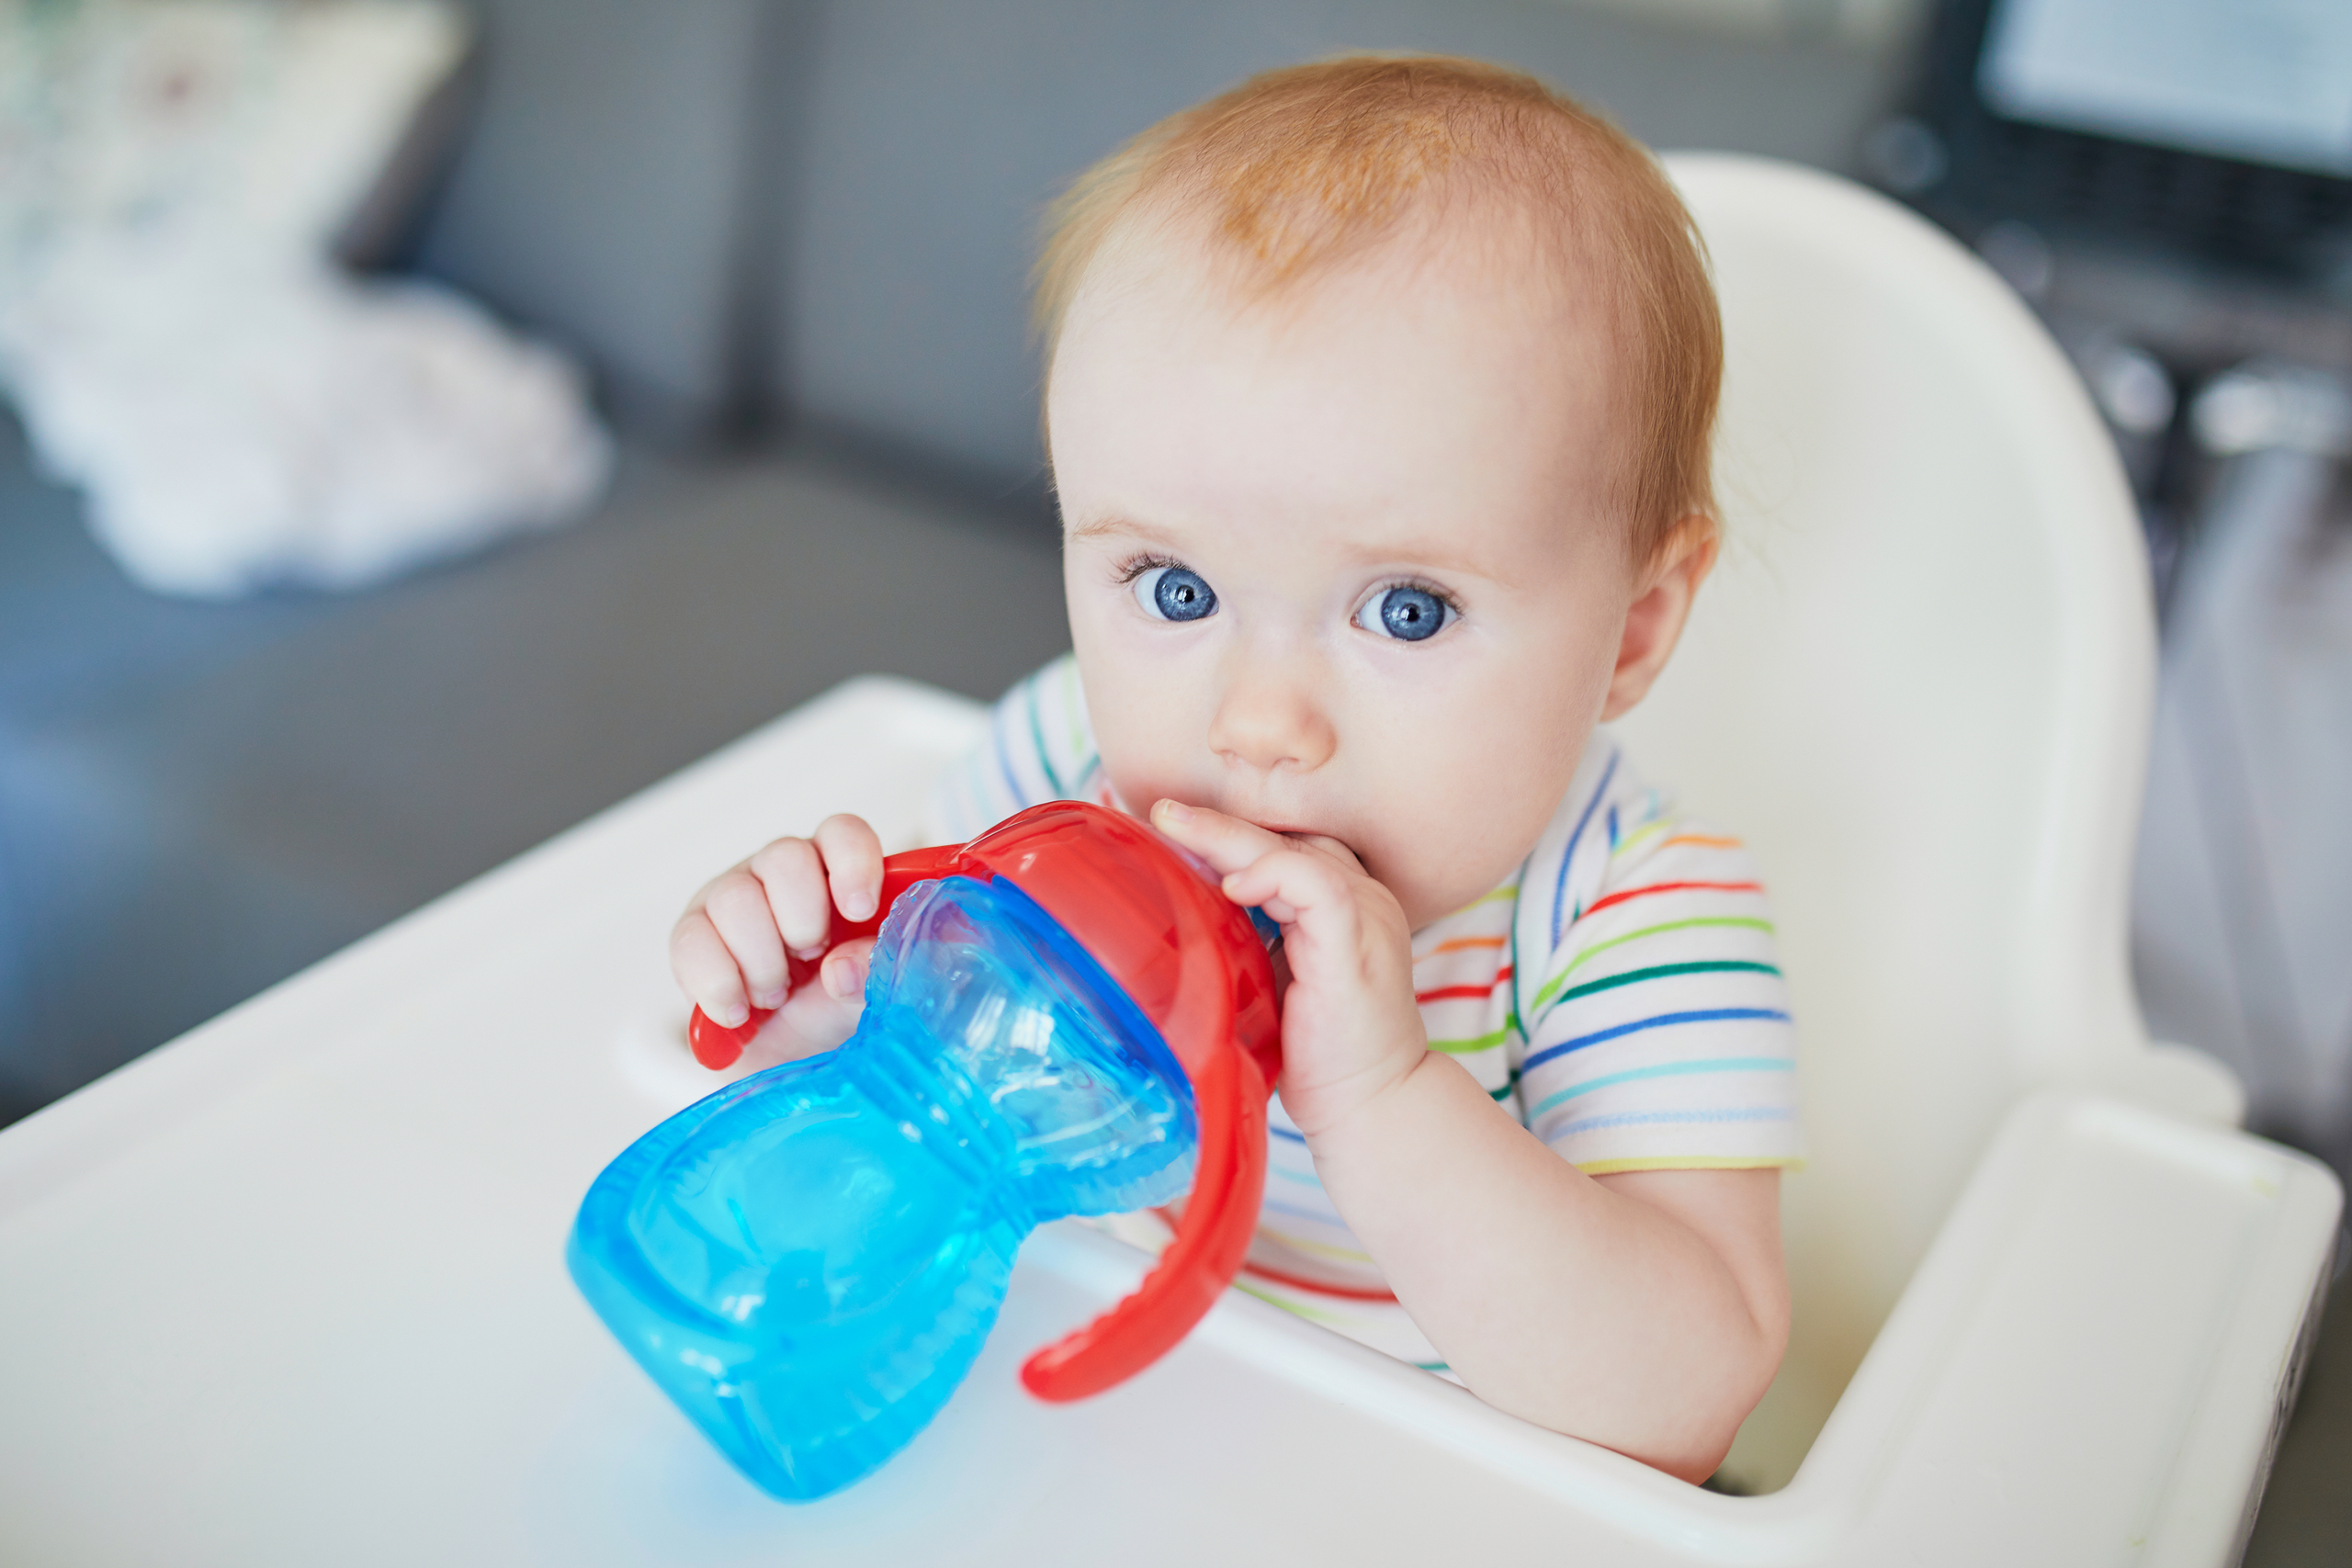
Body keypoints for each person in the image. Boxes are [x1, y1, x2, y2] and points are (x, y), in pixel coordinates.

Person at [668, 55, 1798, 1483]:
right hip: (1081, 1465)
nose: (1259, 724)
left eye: (1407, 610)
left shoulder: (1629, 917)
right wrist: (821, 1022)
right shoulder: (1051, 775)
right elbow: (940, 1155)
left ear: (1630, 632)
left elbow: (1685, 1398)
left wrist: (1381, 1094)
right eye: (1176, 590)